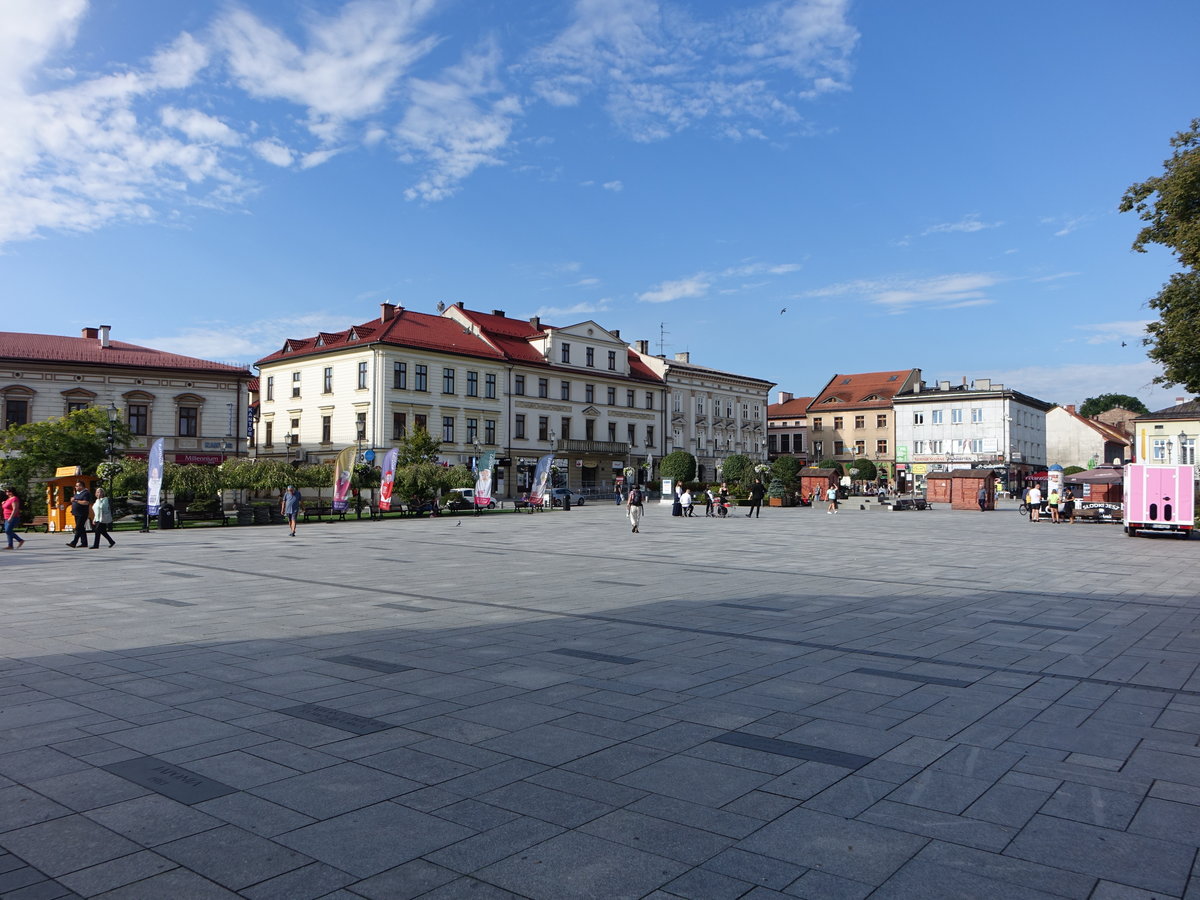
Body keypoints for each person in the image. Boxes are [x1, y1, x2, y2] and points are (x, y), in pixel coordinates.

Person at [66, 480, 92, 548]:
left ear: (81, 486)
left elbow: (86, 502)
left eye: (77, 486)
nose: (76, 487)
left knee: (78, 528)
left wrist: (76, 501)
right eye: (76, 486)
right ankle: (84, 543)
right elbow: (74, 499)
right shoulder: (77, 493)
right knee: (81, 528)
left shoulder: (86, 493)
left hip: (82, 513)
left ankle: (74, 542)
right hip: (76, 513)